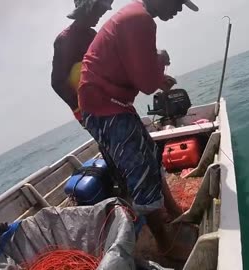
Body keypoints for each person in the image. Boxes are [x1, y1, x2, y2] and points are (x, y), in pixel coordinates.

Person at [78, 0, 199, 260]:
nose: (178, 9)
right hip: (104, 106)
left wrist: (157, 66)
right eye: (177, 2)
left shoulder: (136, 15)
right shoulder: (141, 19)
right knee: (140, 172)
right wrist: (159, 67)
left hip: (113, 102)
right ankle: (165, 245)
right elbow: (145, 83)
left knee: (151, 157)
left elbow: (137, 71)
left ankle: (175, 213)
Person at [51, 0, 113, 122]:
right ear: (88, 8)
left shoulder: (92, 35)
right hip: (91, 112)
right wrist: (80, 111)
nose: (101, 14)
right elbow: (57, 82)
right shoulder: (65, 39)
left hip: (110, 104)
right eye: (99, 10)